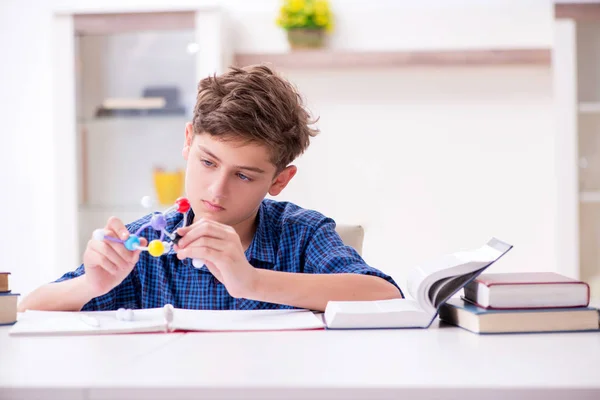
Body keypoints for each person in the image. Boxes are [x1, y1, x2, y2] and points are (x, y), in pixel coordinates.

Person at [18, 65, 403, 313]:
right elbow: (31, 308)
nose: (216, 190)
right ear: (188, 141)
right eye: (207, 162)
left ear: (280, 180)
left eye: (244, 176)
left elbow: (385, 297)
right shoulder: (147, 243)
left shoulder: (301, 235)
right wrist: (90, 285)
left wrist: (250, 281)